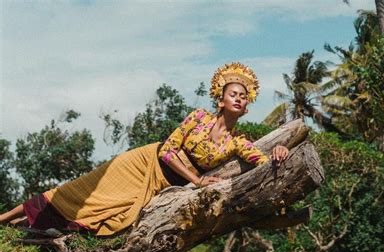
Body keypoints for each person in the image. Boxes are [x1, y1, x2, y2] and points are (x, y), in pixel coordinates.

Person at [0, 62, 289, 235]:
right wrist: (197, 180)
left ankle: (23, 227)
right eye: (233, 94)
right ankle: (3, 219)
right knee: (79, 190)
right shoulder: (199, 116)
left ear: (247, 105)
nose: (238, 99)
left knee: (105, 213)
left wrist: (278, 152)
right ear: (221, 99)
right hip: (144, 162)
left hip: (163, 184)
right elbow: (167, 150)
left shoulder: (237, 142)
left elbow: (261, 160)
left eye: (243, 96)